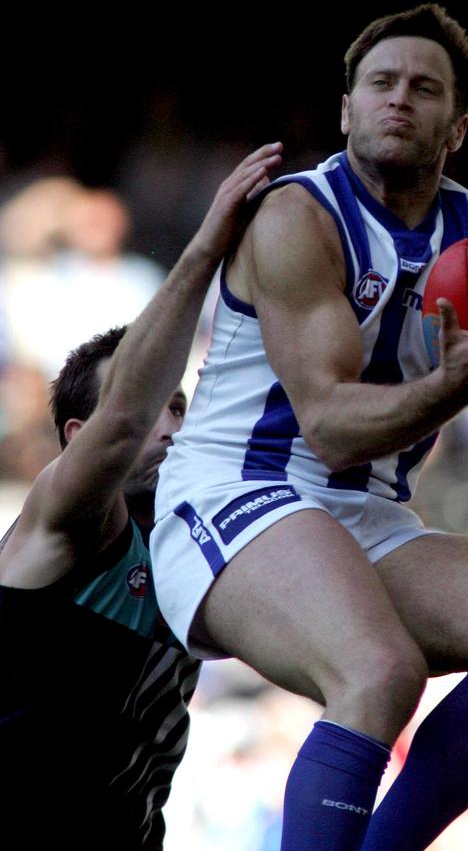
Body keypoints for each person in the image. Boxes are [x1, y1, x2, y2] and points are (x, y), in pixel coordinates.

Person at [151, 4, 468, 851]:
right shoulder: (296, 217)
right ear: (346, 108)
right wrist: (450, 384)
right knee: (377, 671)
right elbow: (327, 427)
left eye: (424, 90)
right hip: (238, 492)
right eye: (381, 84)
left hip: (367, 519)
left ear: (457, 127)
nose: (400, 101)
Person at [0, 142, 282, 850]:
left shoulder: (195, 557)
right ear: (76, 435)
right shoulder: (69, 522)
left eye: (182, 407)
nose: (172, 423)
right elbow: (124, 419)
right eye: (158, 403)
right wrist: (211, 245)